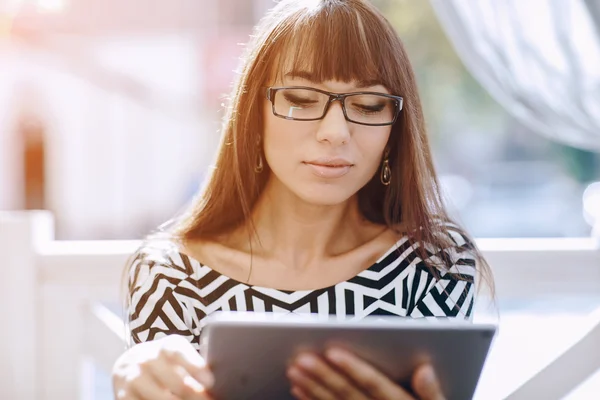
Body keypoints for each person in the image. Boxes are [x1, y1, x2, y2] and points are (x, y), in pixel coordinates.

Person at [112, 0, 494, 399]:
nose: (335, 132)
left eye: (367, 105)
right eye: (300, 99)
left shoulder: (434, 265)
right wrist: (131, 377)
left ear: (394, 130)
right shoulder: (172, 276)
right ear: (252, 115)